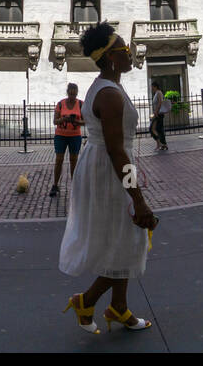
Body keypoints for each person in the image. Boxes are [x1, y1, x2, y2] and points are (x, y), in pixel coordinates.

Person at [59, 23, 156, 334]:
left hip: (103, 165)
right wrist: (137, 198)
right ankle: (86, 301)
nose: (131, 54)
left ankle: (119, 307)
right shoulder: (110, 95)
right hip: (109, 169)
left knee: (123, 238)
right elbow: (116, 151)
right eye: (125, 50)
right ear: (112, 57)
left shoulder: (105, 86)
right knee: (128, 238)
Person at [50, 83, 83, 197]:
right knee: (59, 159)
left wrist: (77, 122)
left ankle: (74, 185)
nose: (72, 96)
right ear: (67, 92)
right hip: (61, 135)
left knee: (74, 160)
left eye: (74, 94)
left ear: (77, 93)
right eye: (70, 94)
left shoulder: (81, 104)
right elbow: (55, 121)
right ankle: (55, 185)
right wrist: (64, 119)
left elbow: (86, 121)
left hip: (75, 135)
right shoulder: (60, 104)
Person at [149, 80, 168, 151]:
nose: (151, 88)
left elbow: (160, 102)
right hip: (157, 113)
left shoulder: (159, 92)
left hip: (158, 114)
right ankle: (162, 144)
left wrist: (156, 112)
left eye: (152, 87)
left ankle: (161, 144)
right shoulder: (156, 93)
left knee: (153, 129)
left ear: (155, 86)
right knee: (158, 129)